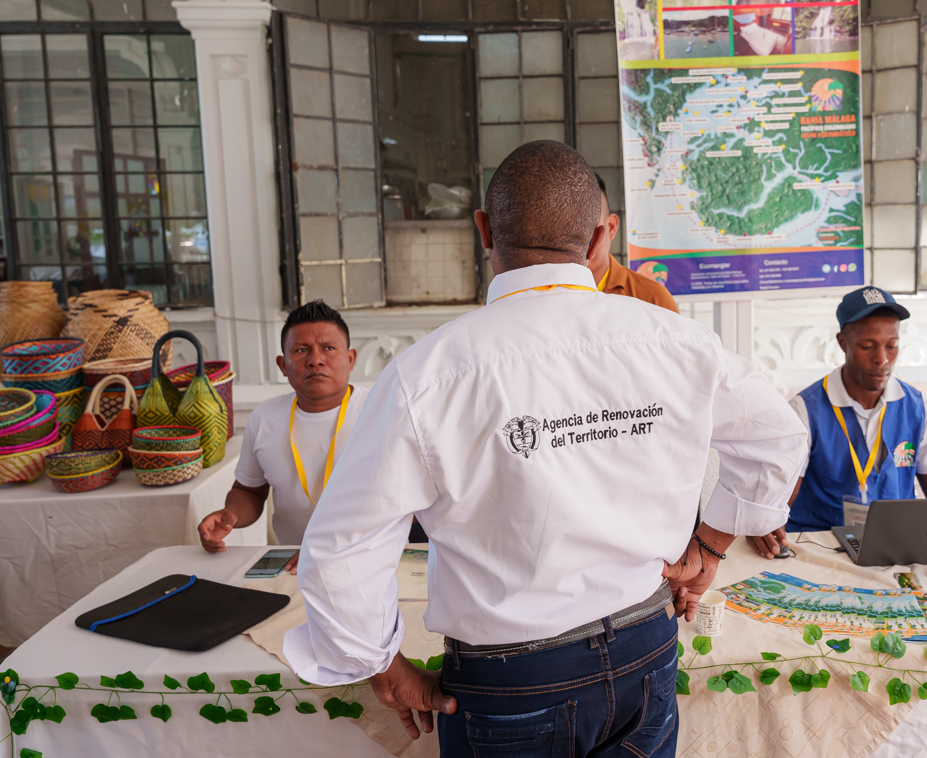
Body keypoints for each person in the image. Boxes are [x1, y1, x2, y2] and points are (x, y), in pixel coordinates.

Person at [284, 140, 806, 755]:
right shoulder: (676, 342)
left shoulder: (426, 376)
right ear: (596, 241)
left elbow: (343, 547)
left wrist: (383, 668)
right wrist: (711, 546)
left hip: (512, 681)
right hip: (648, 651)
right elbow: (778, 440)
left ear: (484, 230)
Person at [748, 286, 927, 559]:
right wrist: (761, 524)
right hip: (821, 545)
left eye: (892, 345)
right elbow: (780, 502)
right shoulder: (805, 410)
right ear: (842, 342)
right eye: (867, 346)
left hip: (897, 546)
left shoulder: (916, 406)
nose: (882, 359)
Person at [197, 300, 368, 572]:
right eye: (301, 350)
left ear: (350, 359)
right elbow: (249, 491)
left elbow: (411, 499)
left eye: (329, 348)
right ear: (283, 365)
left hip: (367, 558)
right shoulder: (266, 417)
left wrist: (334, 550)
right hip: (292, 565)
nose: (315, 360)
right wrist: (230, 515)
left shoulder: (381, 413)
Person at [587, 175, 678, 312]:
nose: (576, 239)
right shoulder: (545, 295)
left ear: (611, 227)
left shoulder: (652, 299)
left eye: (588, 226)